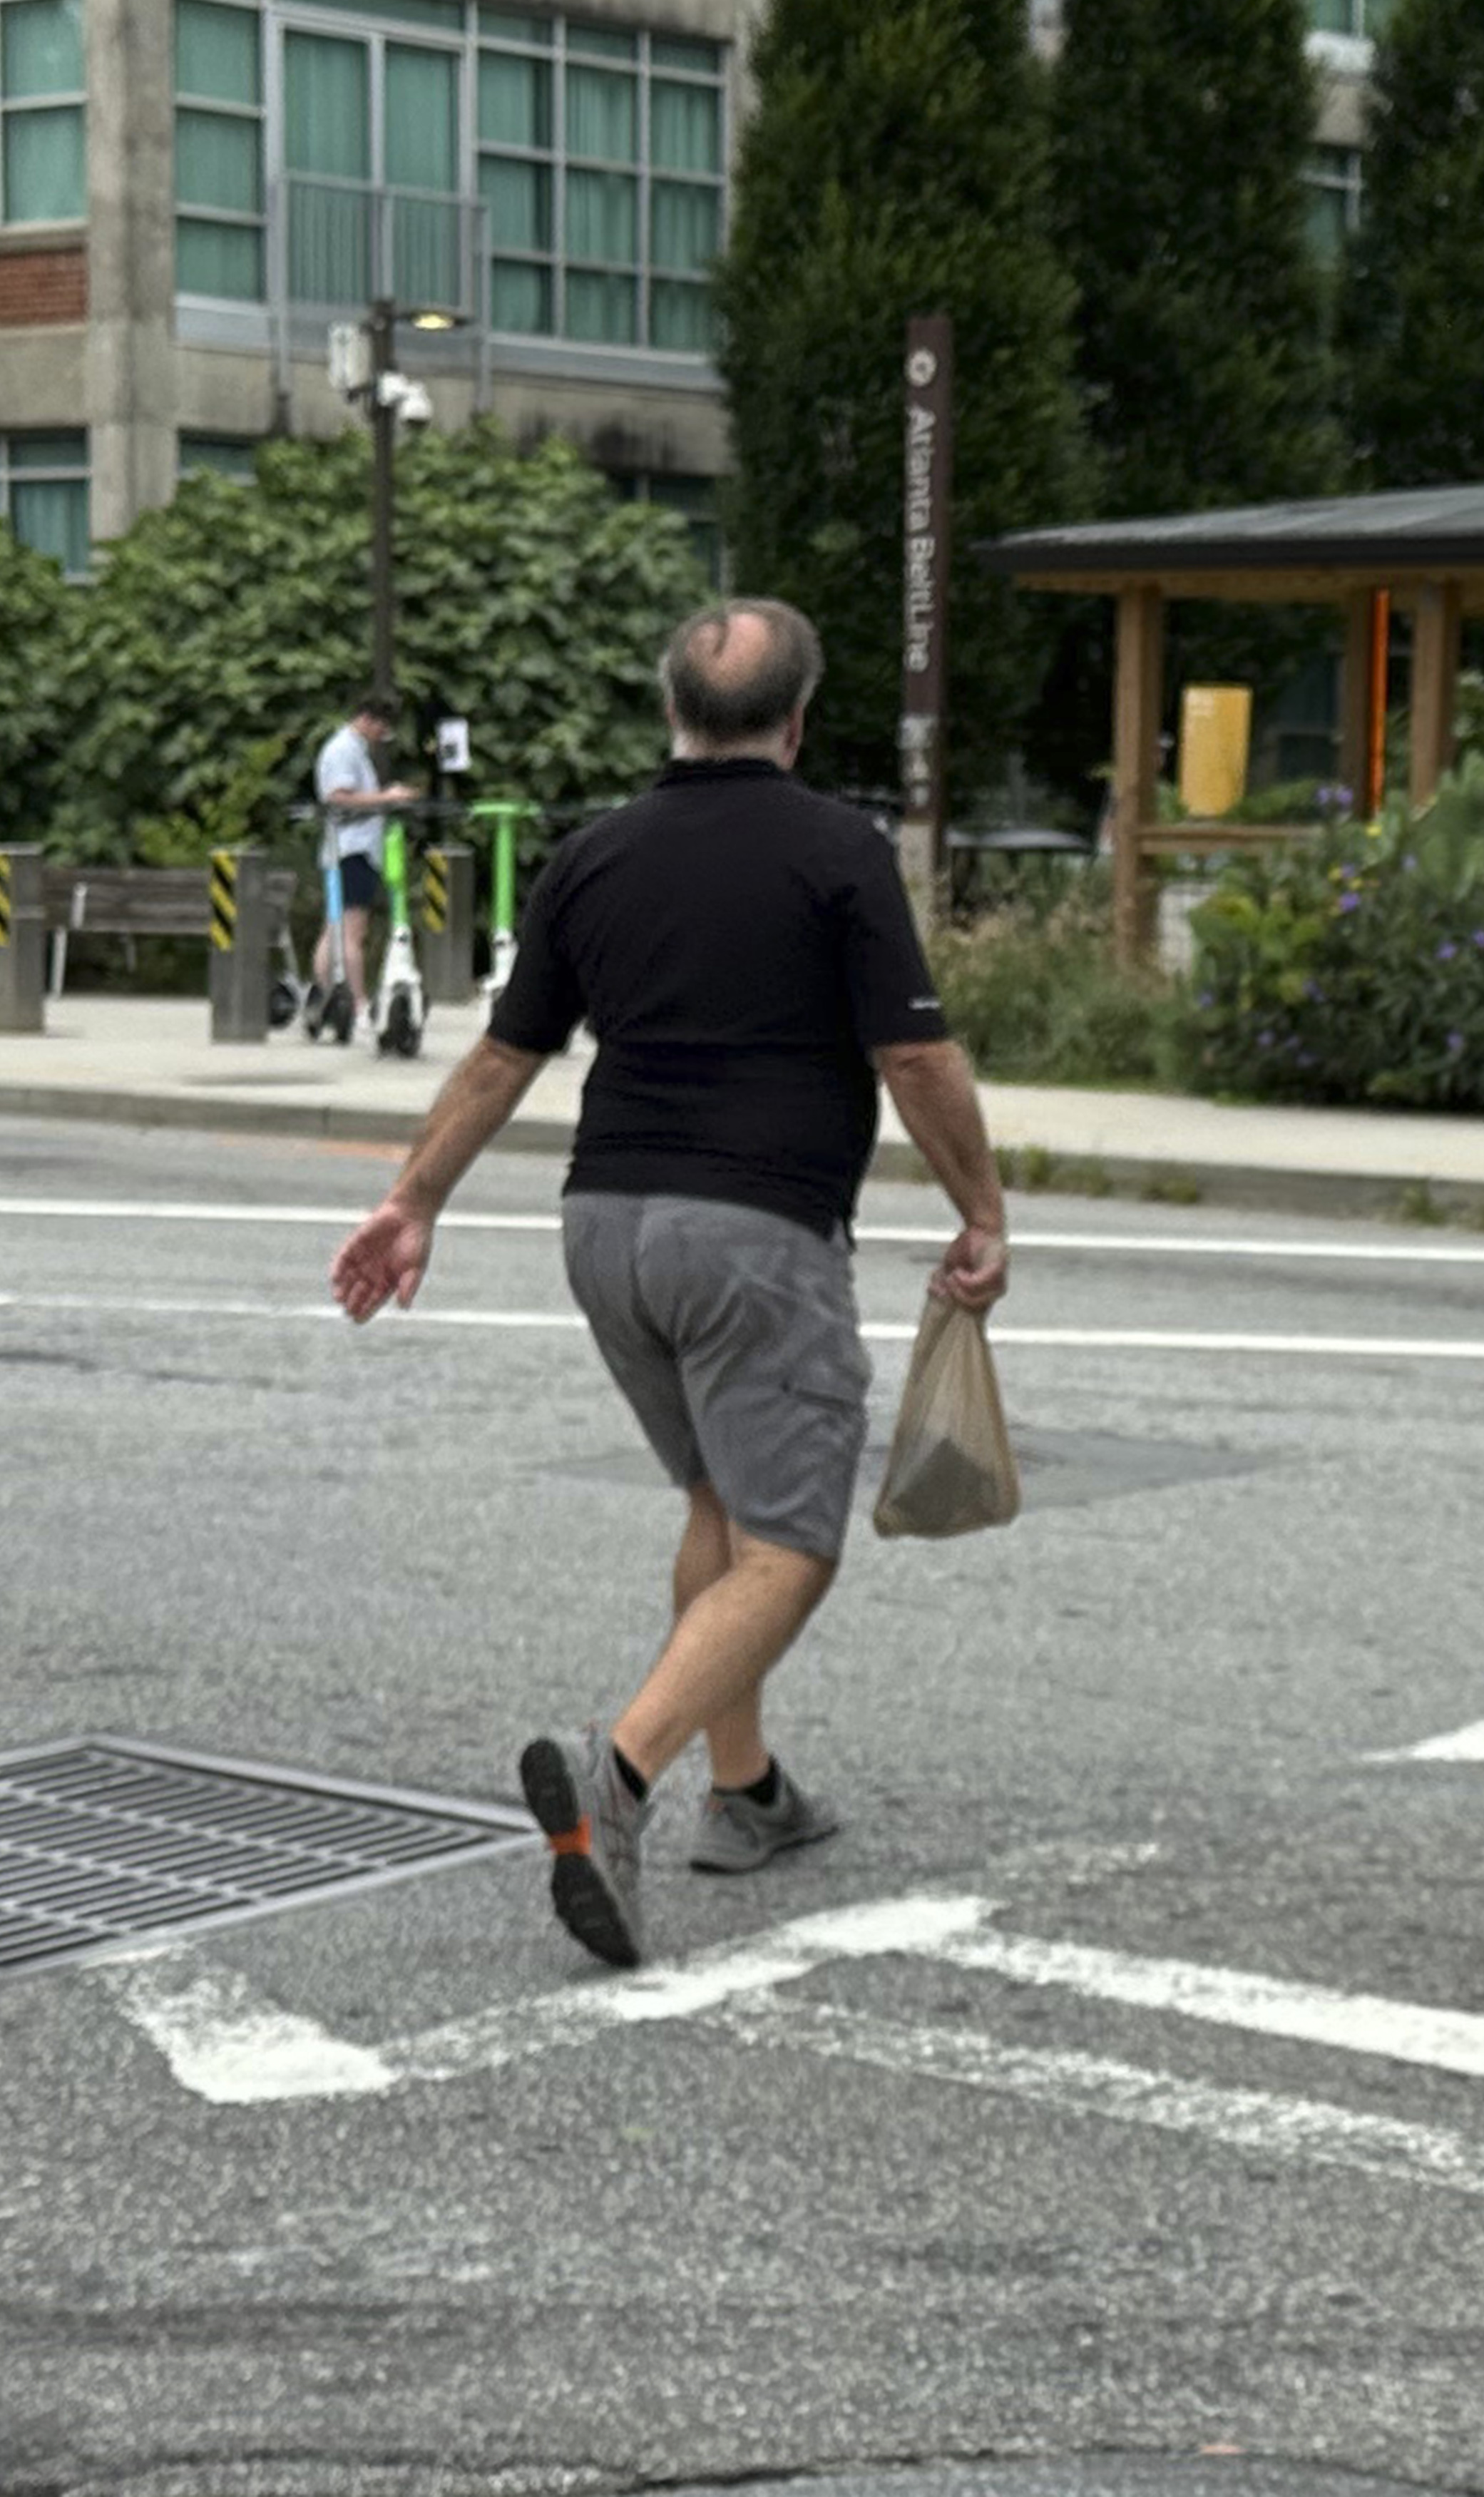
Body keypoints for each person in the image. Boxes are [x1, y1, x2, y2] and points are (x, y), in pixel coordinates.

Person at [327, 598, 1007, 1969]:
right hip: (751, 1233)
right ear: (799, 720)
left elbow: (503, 1058)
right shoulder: (839, 851)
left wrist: (414, 1202)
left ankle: (748, 1794)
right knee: (793, 1548)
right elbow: (917, 1060)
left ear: (672, 714)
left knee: (723, 1499)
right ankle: (620, 1775)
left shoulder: (595, 854)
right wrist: (982, 1210)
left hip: (605, 1231)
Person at [311, 690, 421, 1038]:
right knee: (352, 932)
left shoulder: (348, 748)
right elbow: (338, 797)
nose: (382, 738)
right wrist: (387, 798)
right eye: (382, 729)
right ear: (369, 720)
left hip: (345, 849)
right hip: (352, 849)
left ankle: (329, 997)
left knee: (334, 929)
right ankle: (356, 1004)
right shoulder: (344, 750)